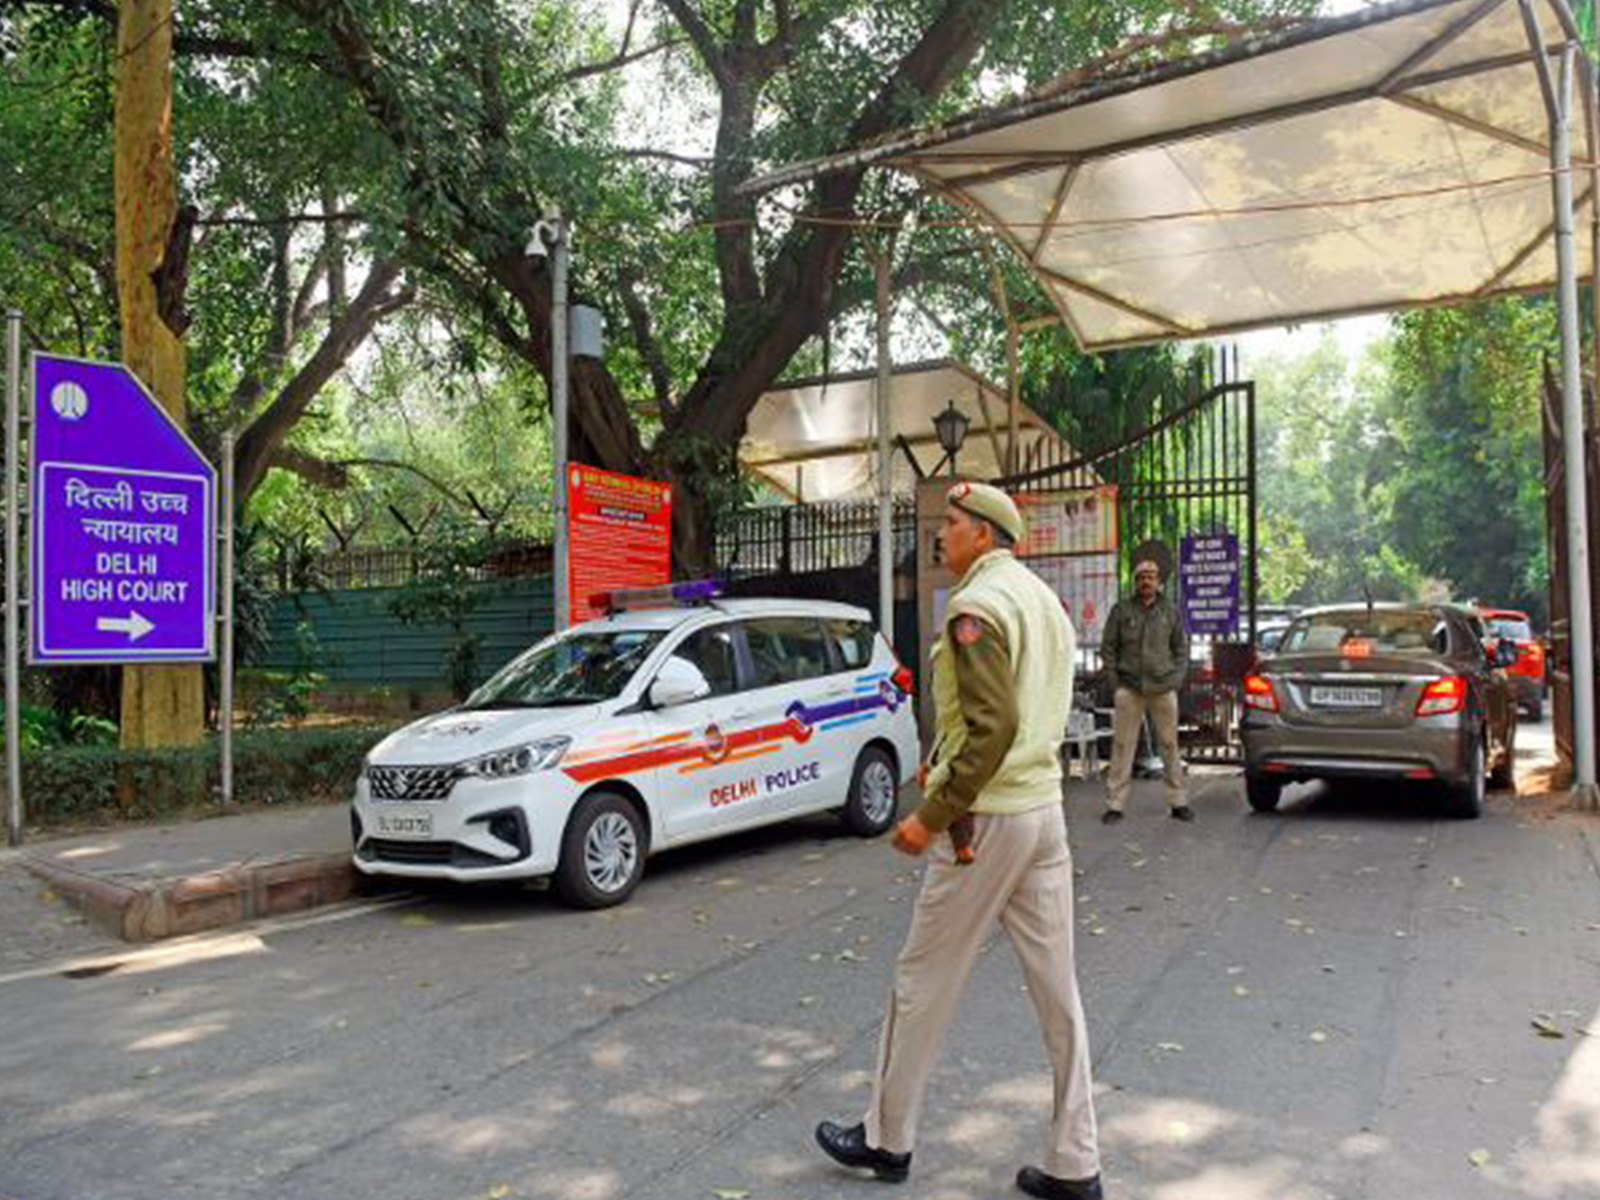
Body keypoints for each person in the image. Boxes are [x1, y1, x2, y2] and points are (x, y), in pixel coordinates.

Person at [815, 482, 1105, 1200]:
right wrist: (943, 760)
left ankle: (888, 1139)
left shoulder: (978, 608)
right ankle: (1077, 1162)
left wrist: (933, 812)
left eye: (950, 523)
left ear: (984, 534)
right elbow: (1012, 716)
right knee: (1059, 995)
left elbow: (993, 726)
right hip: (1043, 813)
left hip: (985, 820)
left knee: (921, 981)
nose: (940, 534)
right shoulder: (1041, 602)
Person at [1100, 557, 1192, 824]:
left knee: (1169, 744)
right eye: (1141, 577)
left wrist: (1176, 679)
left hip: (1163, 687)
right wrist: (1115, 683)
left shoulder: (1170, 611)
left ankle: (1178, 802)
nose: (1146, 582)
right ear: (1135, 581)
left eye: (1150, 577)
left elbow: (1181, 650)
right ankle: (1115, 805)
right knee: (1122, 745)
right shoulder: (1121, 611)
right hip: (1129, 687)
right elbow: (1108, 649)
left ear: (1159, 581)